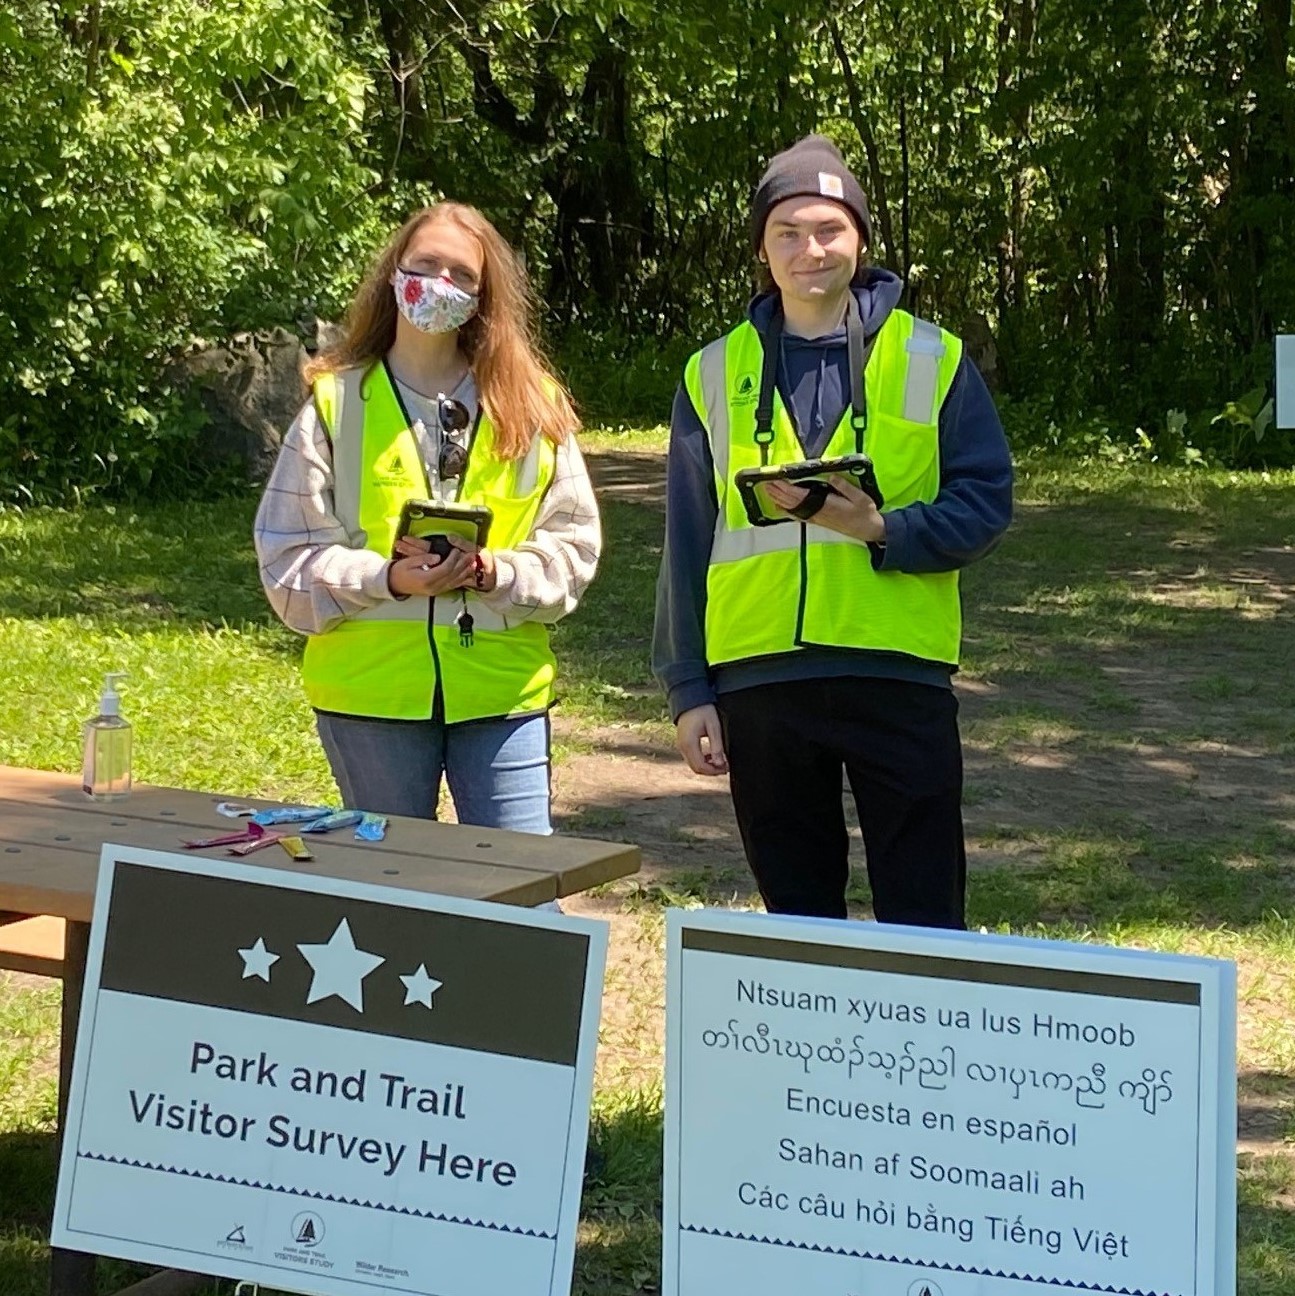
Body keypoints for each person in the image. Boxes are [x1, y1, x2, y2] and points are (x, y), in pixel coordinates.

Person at [652, 135, 1012, 928]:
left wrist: (883, 528)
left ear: (859, 240)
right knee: (798, 918)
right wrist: (687, 689)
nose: (808, 249)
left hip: (898, 671)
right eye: (787, 231)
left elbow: (985, 503)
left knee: (924, 916)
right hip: (758, 678)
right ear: (759, 247)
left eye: (828, 229)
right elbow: (686, 537)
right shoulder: (710, 372)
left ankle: (927, 1052)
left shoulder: (934, 357)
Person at [255, 201, 600, 834]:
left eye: (462, 274)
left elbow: (574, 548)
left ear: (484, 296)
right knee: (393, 891)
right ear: (394, 274)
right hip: (369, 695)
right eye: (425, 265)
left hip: (503, 694)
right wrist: (387, 579)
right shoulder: (336, 404)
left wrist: (498, 573)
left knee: (521, 892)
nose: (440, 283)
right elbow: (287, 564)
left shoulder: (534, 405)